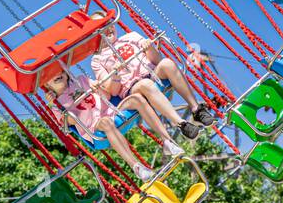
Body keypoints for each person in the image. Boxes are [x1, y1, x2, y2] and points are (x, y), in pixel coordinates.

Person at [42, 68, 182, 183]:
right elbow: (69, 123)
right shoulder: (56, 103)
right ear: (47, 85)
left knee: (137, 99)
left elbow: (107, 97)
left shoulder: (81, 80)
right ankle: (136, 166)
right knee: (106, 122)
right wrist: (55, 106)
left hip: (110, 110)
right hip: (93, 126)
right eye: (50, 75)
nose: (56, 73)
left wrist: (98, 88)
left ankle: (167, 141)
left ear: (66, 72)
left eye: (59, 70)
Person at [90, 28, 215, 138]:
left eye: (109, 24)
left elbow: (157, 60)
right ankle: (181, 123)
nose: (108, 29)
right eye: (101, 28)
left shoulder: (131, 36)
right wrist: (115, 73)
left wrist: (149, 48)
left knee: (167, 63)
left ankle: (196, 109)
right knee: (145, 84)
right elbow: (113, 91)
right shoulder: (97, 60)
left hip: (153, 74)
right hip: (133, 88)